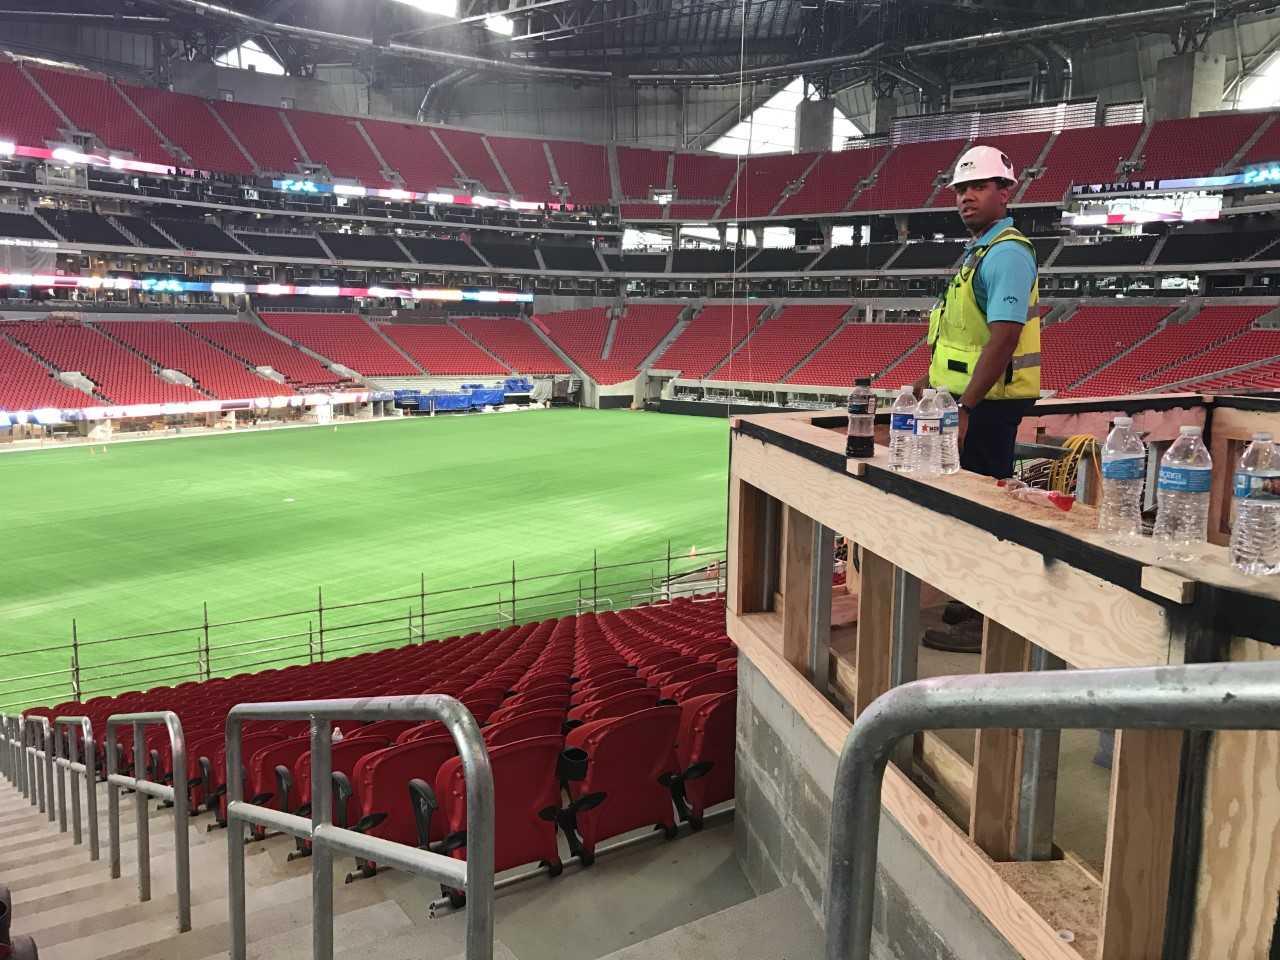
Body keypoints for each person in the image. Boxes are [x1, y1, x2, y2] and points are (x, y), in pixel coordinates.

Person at [917, 144, 1042, 651]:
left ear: (1004, 191)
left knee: (986, 509)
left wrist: (965, 407)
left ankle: (988, 621)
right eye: (960, 190)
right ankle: (972, 601)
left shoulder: (1007, 253)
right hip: (968, 404)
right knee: (967, 504)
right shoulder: (980, 252)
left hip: (985, 407)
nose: (965, 198)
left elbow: (1004, 337)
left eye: (977, 187)